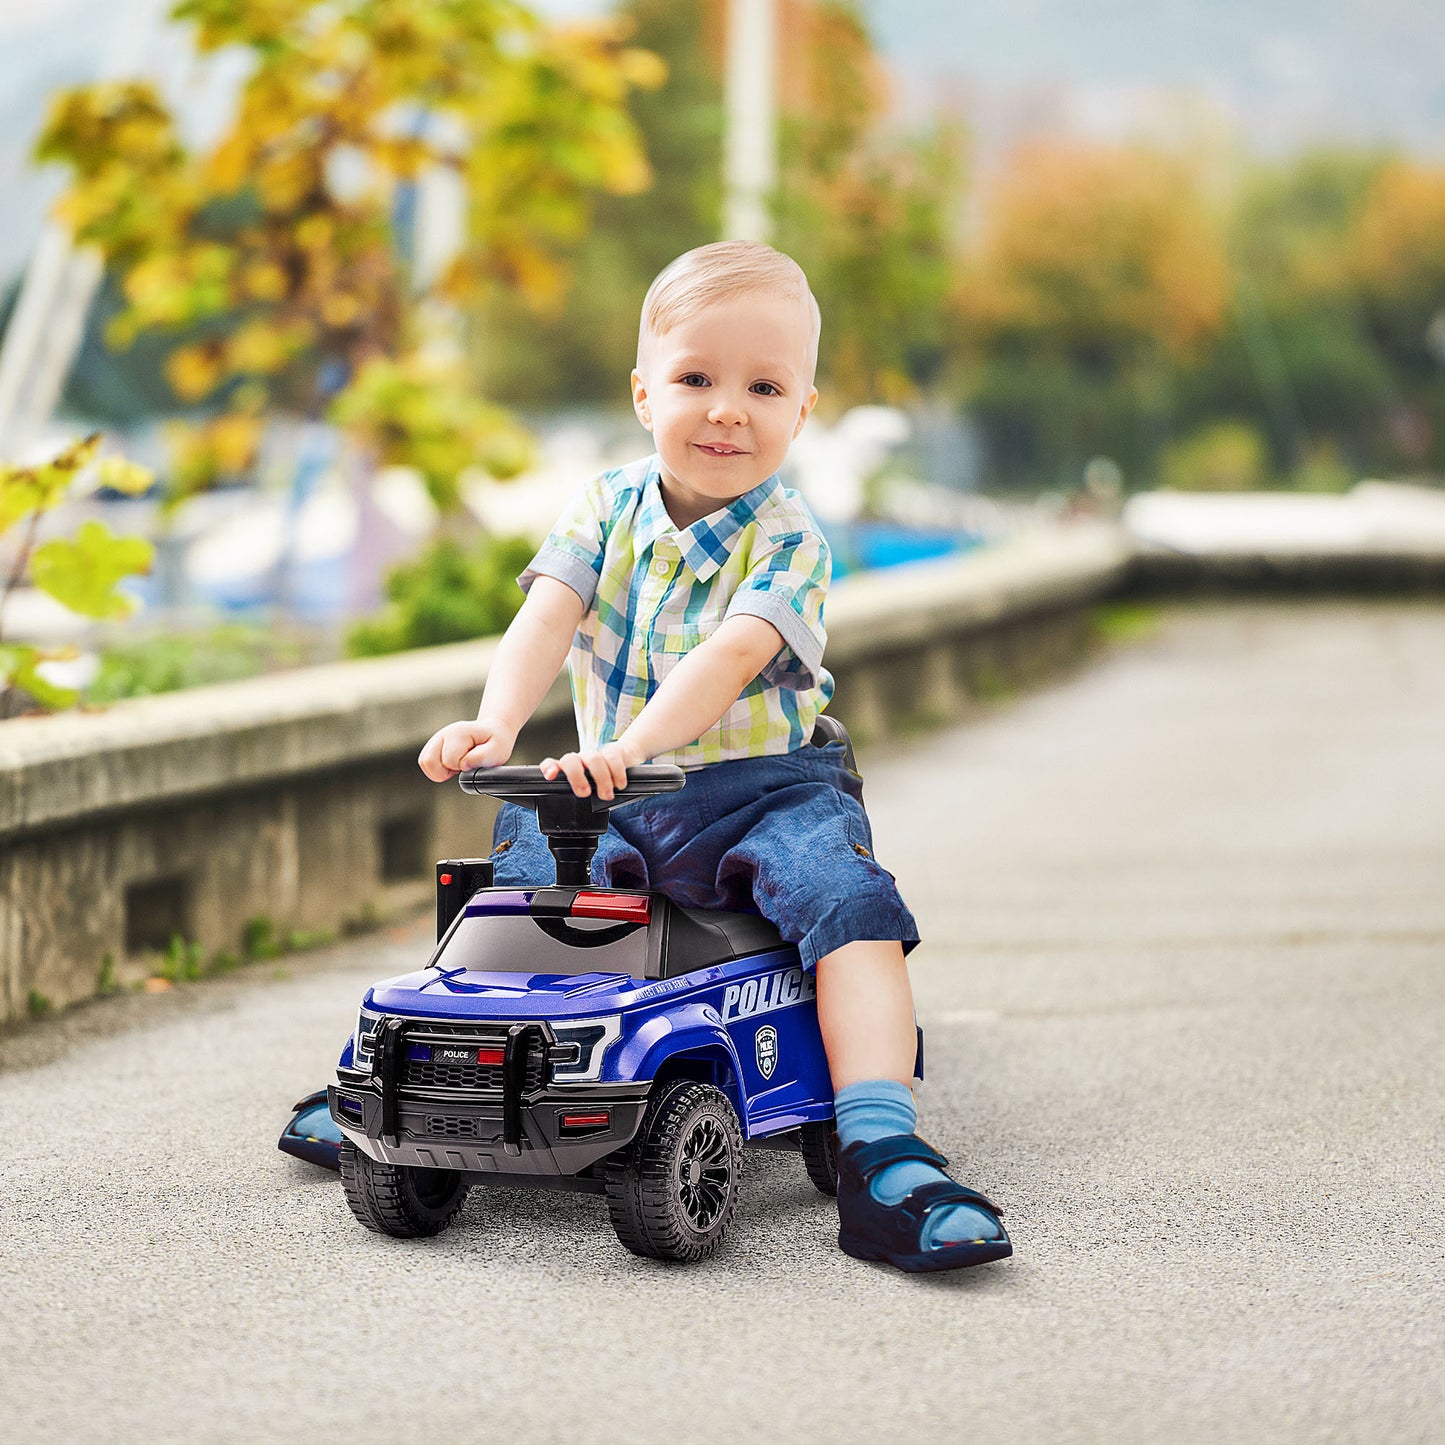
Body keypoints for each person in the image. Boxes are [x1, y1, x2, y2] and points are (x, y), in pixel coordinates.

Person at [418, 240, 1010, 1273]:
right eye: (697, 379)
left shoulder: (789, 540)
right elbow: (546, 616)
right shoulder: (602, 505)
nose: (726, 408)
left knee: (845, 898)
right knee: (517, 887)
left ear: (802, 410)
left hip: (763, 789)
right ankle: (437, 1077)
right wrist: (498, 722)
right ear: (645, 392)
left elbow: (730, 654)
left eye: (762, 385)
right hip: (615, 789)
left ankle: (880, 1143)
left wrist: (635, 741)